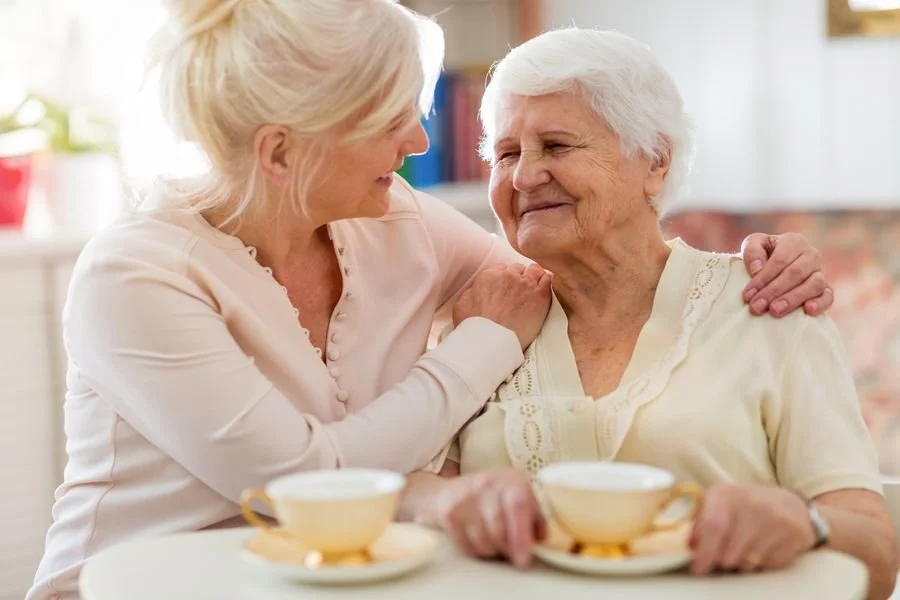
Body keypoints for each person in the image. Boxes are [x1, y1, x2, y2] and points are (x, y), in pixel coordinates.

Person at [27, 3, 834, 599]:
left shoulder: (394, 221)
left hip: (317, 583)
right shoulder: (135, 276)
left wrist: (754, 267)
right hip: (129, 586)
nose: (418, 144)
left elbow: (576, 271)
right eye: (390, 121)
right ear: (282, 152)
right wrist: (477, 346)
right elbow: (303, 484)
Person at [398, 28, 897, 600]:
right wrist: (449, 504)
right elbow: (411, 497)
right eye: (507, 153)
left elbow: (877, 557)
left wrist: (805, 525)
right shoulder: (487, 320)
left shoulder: (769, 303)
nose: (524, 176)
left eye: (557, 146)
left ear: (655, 162)